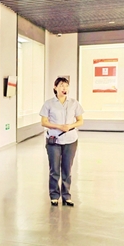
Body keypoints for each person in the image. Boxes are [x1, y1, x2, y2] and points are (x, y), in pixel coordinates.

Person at [39, 77, 84, 207]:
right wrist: (59, 126)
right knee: (54, 169)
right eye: (61, 85)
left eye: (66, 86)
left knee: (67, 169)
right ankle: (54, 196)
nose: (64, 88)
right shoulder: (49, 103)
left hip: (71, 139)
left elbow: (80, 121)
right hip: (54, 140)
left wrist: (69, 126)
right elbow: (44, 122)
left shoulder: (74, 103)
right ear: (55, 87)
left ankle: (66, 196)